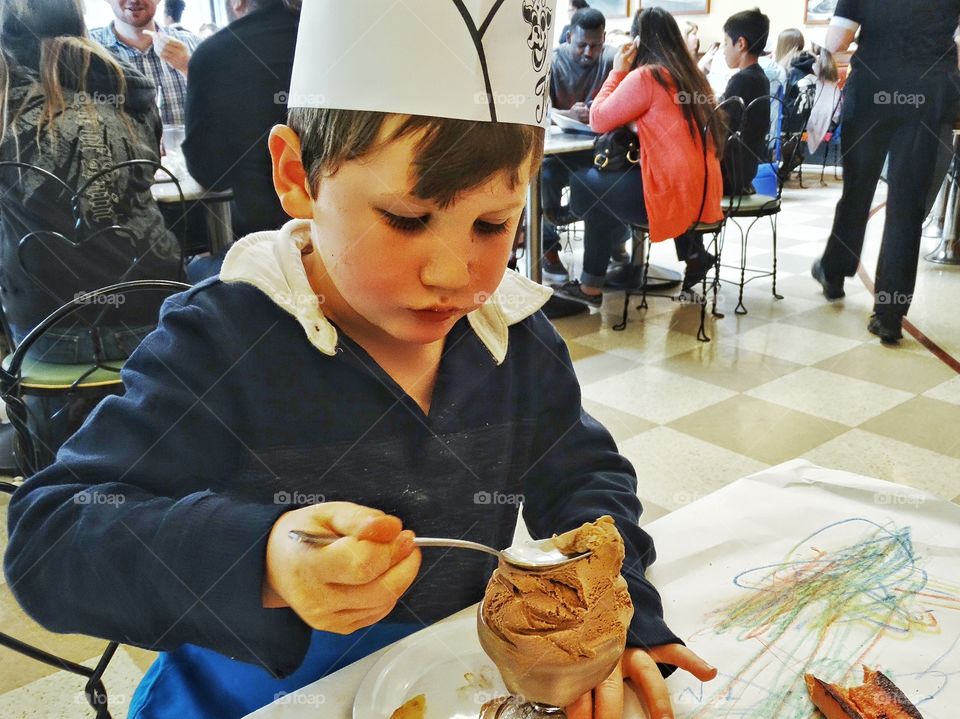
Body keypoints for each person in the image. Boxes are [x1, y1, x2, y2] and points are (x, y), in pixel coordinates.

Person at [4, 1, 718, 718]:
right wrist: (263, 559)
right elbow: (50, 538)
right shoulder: (221, 341)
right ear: (298, 176)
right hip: (243, 696)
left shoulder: (517, 342)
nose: (450, 272)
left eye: (493, 223)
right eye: (406, 218)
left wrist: (617, 617)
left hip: (443, 689)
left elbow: (588, 482)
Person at [0, 0, 182, 362]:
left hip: (48, 328)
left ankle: (48, 419)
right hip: (155, 314)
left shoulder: (6, 95)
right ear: (80, 21)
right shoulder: (128, 84)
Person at [553, 6, 726, 305]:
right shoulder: (692, 77)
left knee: (586, 184)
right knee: (601, 193)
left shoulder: (648, 76)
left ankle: (589, 278)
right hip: (704, 194)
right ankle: (603, 279)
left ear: (637, 42)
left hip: (669, 197)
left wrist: (618, 70)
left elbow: (598, 119)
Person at [812, 0, 960, 343]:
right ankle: (889, 314)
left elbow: (839, 40)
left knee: (858, 190)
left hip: (872, 90)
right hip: (927, 91)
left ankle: (834, 271)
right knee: (907, 203)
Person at [182, 0, 301, 280]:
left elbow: (209, 174)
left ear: (237, 2)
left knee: (195, 269)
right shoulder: (337, 40)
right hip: (351, 240)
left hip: (263, 251)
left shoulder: (212, 54)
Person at [541, 7, 620, 282]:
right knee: (546, 176)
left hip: (597, 152)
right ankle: (548, 247)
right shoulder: (551, 62)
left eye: (595, 45)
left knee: (612, 181)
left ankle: (614, 241)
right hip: (557, 153)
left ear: (604, 39)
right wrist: (566, 115)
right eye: (581, 45)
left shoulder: (612, 59)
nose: (588, 52)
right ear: (568, 38)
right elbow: (539, 113)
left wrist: (599, 111)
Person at [90, 0, 200, 125]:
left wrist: (187, 67)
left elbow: (221, 107)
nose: (134, 0)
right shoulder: (87, 51)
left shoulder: (193, 45)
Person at [718, 8, 771, 196]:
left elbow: (721, 129)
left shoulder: (741, 80)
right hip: (746, 174)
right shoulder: (761, 78)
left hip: (728, 178)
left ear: (740, 43)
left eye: (725, 43)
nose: (723, 50)